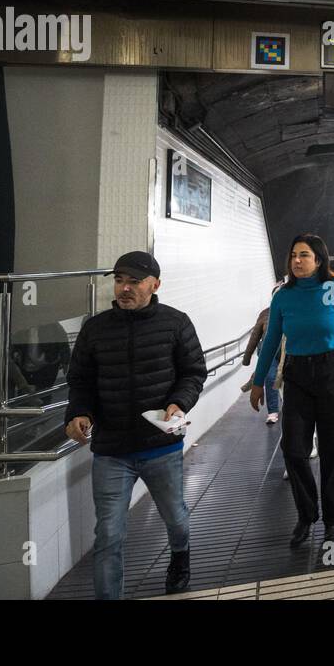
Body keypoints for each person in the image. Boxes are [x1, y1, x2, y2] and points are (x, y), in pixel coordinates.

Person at [64, 251, 207, 599]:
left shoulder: (176, 323)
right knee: (109, 533)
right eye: (119, 280)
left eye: (133, 281)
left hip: (161, 445)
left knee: (175, 518)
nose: (124, 288)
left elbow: (193, 372)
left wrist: (178, 402)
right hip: (112, 450)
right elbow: (80, 380)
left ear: (155, 285)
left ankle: (179, 557)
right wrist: (78, 412)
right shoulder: (95, 329)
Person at [248, 234, 334, 549]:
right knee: (293, 449)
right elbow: (271, 339)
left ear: (318, 260)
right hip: (296, 376)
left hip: (333, 372)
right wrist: (257, 381)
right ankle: (307, 515)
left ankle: (333, 522)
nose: (297, 260)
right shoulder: (283, 296)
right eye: (293, 255)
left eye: (304, 255)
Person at [243, 279, 286, 424]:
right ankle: (273, 411)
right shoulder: (265, 313)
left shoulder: (293, 311)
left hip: (288, 351)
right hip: (269, 353)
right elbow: (255, 335)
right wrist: (247, 357)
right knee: (271, 378)